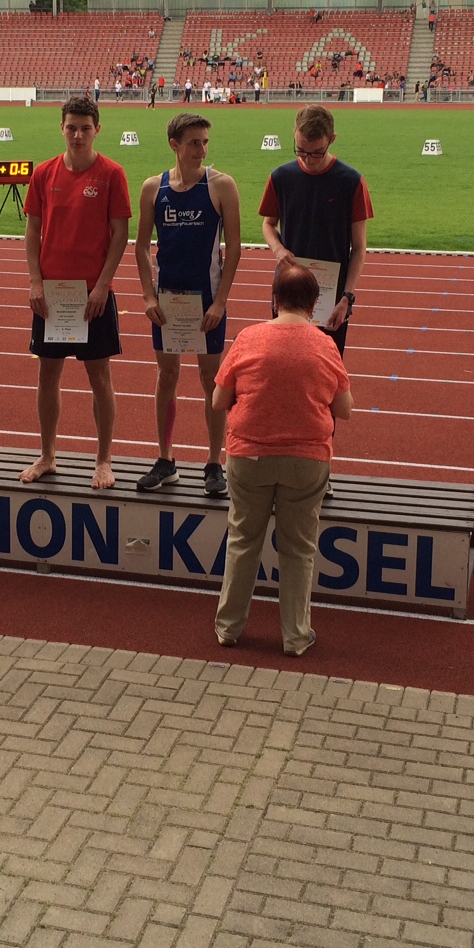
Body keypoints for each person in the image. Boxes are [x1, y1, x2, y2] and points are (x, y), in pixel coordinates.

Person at [211, 262, 352, 656]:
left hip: (249, 455)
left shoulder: (247, 338)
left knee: (242, 542)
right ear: (314, 303)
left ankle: (229, 629)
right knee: (299, 549)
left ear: (274, 299)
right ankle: (295, 635)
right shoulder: (325, 344)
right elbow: (345, 409)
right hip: (306, 460)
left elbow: (218, 400)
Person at [21, 94, 132, 488]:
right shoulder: (44, 174)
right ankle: (48, 455)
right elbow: (32, 231)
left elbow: (121, 234)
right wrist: (35, 282)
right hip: (52, 294)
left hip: (92, 294)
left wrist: (103, 285)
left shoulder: (112, 174)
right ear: (62, 128)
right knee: (47, 376)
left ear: (97, 129)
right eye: (72, 127)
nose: (78, 135)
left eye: (86, 128)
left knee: (99, 378)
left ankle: (103, 460)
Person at [133, 113, 241, 496]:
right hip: (167, 301)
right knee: (167, 378)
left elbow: (235, 251)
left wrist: (221, 303)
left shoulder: (221, 186)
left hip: (207, 300)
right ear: (174, 145)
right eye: (194, 142)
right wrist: (148, 295)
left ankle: (215, 463)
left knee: (211, 382)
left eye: (206, 142)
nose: (202, 150)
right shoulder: (153, 189)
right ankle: (166, 459)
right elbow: (142, 247)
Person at [259, 105, 371, 358]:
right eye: (300, 150)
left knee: (326, 368)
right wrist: (278, 249)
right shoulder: (281, 177)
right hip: (289, 288)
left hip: (332, 296)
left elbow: (359, 247)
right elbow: (268, 224)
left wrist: (347, 298)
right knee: (285, 362)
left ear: (332, 140)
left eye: (317, 153)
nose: (308, 159)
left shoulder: (351, 181)